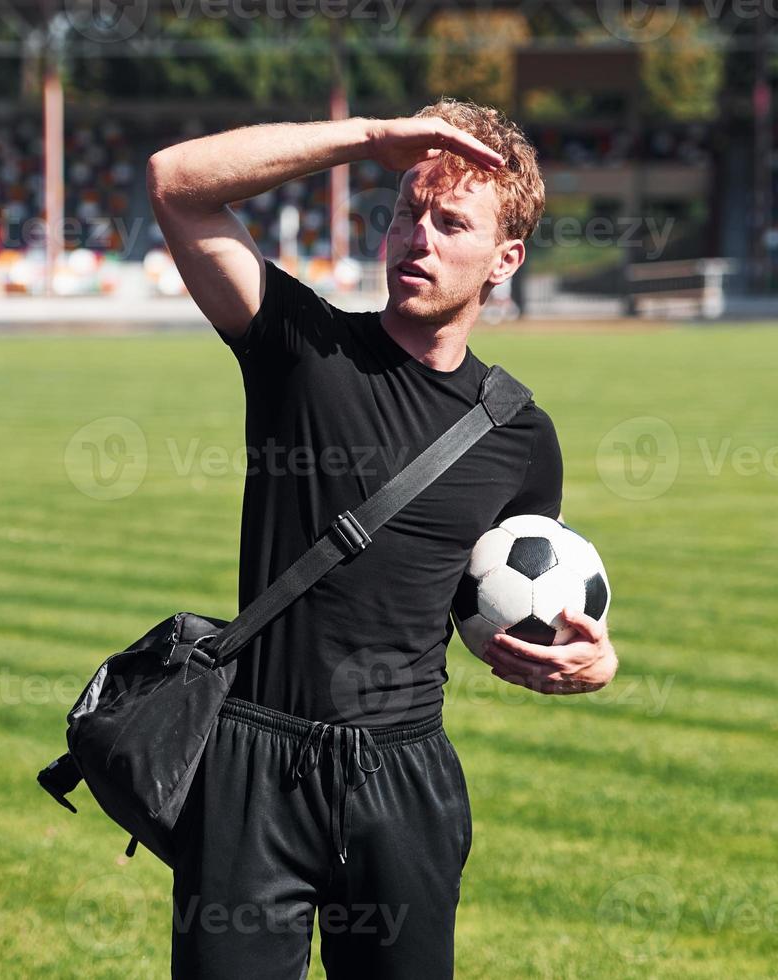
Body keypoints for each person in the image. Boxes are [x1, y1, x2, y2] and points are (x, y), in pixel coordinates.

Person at [146, 97, 619, 980]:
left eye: (451, 223)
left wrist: (593, 664)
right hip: (254, 765)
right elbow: (177, 184)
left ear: (504, 259)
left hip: (403, 782)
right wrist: (367, 139)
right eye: (406, 212)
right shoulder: (300, 347)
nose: (418, 238)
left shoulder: (518, 434)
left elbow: (507, 616)